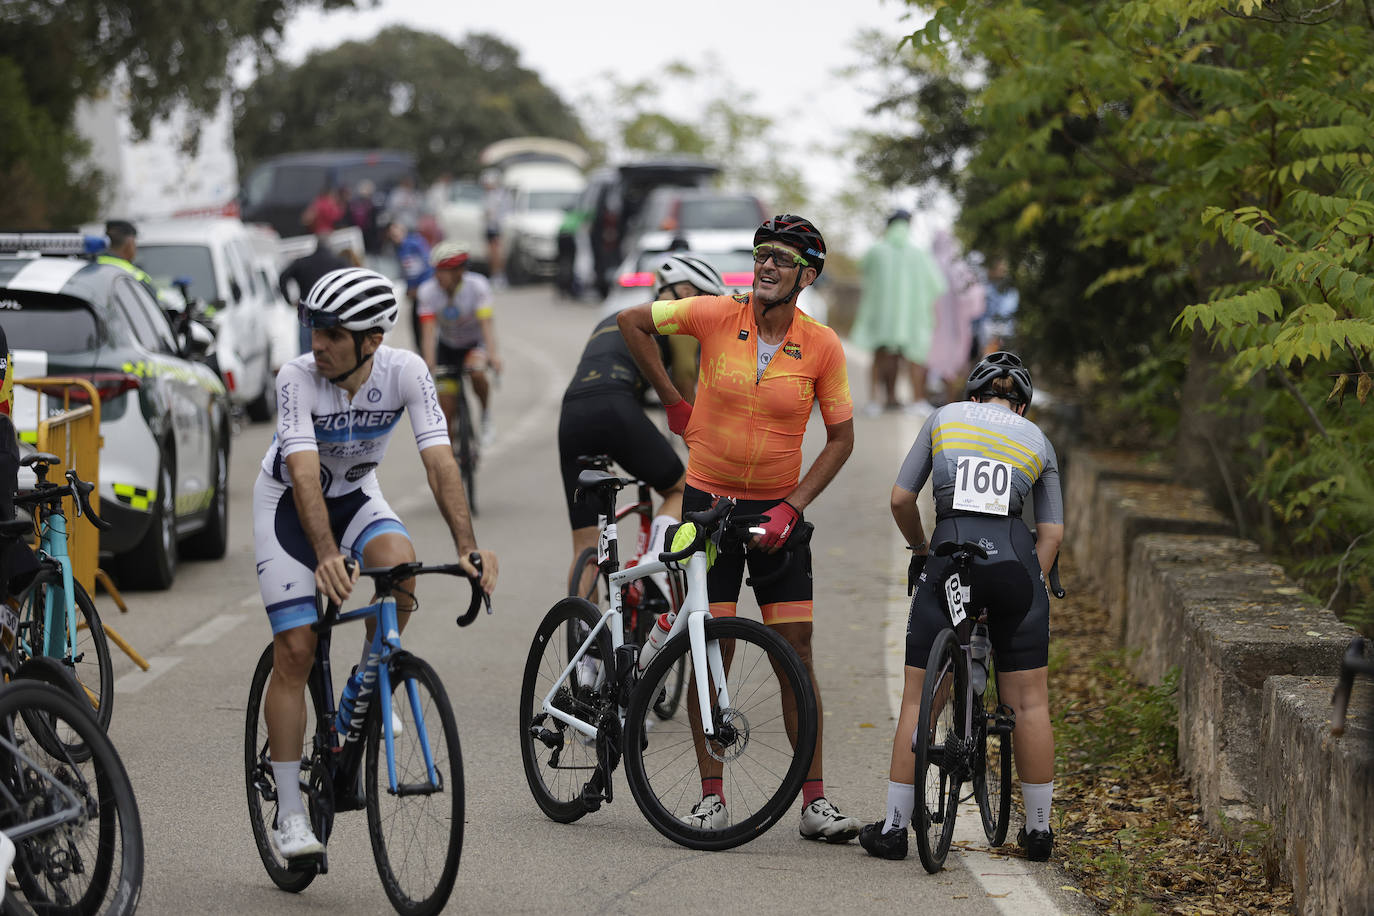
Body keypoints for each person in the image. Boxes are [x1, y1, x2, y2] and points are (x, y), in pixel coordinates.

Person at [617, 215, 862, 843]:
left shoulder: (823, 345)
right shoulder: (715, 313)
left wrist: (795, 506)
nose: (766, 266)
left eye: (781, 260)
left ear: (806, 275)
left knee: (796, 654)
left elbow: (841, 440)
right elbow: (632, 322)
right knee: (712, 650)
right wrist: (674, 400)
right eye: (761, 256)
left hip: (777, 513)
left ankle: (815, 803)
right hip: (708, 506)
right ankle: (710, 796)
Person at [253, 267, 498, 861]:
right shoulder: (297, 379)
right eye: (314, 328)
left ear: (371, 341)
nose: (318, 343)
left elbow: (441, 463)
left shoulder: (406, 371)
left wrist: (467, 544)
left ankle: (370, 679)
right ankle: (289, 815)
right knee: (295, 650)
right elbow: (306, 476)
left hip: (359, 496)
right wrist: (326, 555)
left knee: (403, 571)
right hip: (289, 506)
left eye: (333, 333)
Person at [861, 351, 1063, 862]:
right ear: (1021, 407)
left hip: (951, 559)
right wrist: (1030, 585)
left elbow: (901, 499)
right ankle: (1038, 832)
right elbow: (1052, 531)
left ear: (974, 397)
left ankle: (893, 829)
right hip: (1016, 565)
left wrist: (921, 549)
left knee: (917, 699)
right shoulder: (1038, 440)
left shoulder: (945, 417)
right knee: (1032, 702)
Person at [558, 254, 724, 599]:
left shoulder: (611, 317)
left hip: (573, 410)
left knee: (585, 546)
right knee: (680, 489)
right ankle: (655, 565)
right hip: (616, 406)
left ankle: (585, 647)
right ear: (684, 290)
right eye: (705, 299)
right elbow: (684, 385)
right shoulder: (674, 319)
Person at [850, 210, 947, 418]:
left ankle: (875, 400)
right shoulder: (919, 253)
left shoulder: (876, 250)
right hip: (911, 316)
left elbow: (863, 270)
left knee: (880, 355)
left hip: (882, 314)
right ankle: (917, 400)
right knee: (913, 357)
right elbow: (936, 285)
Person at [416, 243, 501, 447]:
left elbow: (486, 325)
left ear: (459, 272)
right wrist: (428, 363)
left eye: (443, 271)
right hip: (447, 347)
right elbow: (428, 332)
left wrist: (493, 355)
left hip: (474, 344)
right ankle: (453, 457)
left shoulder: (477, 286)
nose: (438, 276)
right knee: (446, 407)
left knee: (477, 373)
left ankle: (486, 416)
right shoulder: (427, 291)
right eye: (436, 270)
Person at [925, 230, 986, 404]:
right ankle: (949, 405)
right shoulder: (959, 268)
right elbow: (974, 300)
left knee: (928, 363)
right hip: (956, 329)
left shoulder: (930, 265)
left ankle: (922, 399)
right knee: (951, 368)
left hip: (933, 326)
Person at [279, 235, 349, 357]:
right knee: (333, 355)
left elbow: (283, 277)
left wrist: (289, 300)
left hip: (307, 313)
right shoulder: (340, 263)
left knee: (307, 357)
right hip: (333, 313)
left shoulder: (302, 262)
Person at [387, 218, 432, 350]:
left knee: (425, 326)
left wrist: (420, 287)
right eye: (392, 233)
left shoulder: (414, 243)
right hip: (414, 294)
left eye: (397, 231)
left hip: (423, 292)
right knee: (415, 327)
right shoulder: (399, 249)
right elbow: (407, 271)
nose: (394, 235)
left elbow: (426, 265)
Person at [978, 258, 1020, 356]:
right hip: (989, 329)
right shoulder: (987, 287)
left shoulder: (1011, 290)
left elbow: (1009, 311)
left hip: (1005, 329)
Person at [481, 169, 512, 289]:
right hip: (489, 227)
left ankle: (500, 277)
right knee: (490, 254)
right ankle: (495, 276)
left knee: (497, 253)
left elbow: (502, 214)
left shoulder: (501, 195)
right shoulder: (488, 195)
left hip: (497, 228)